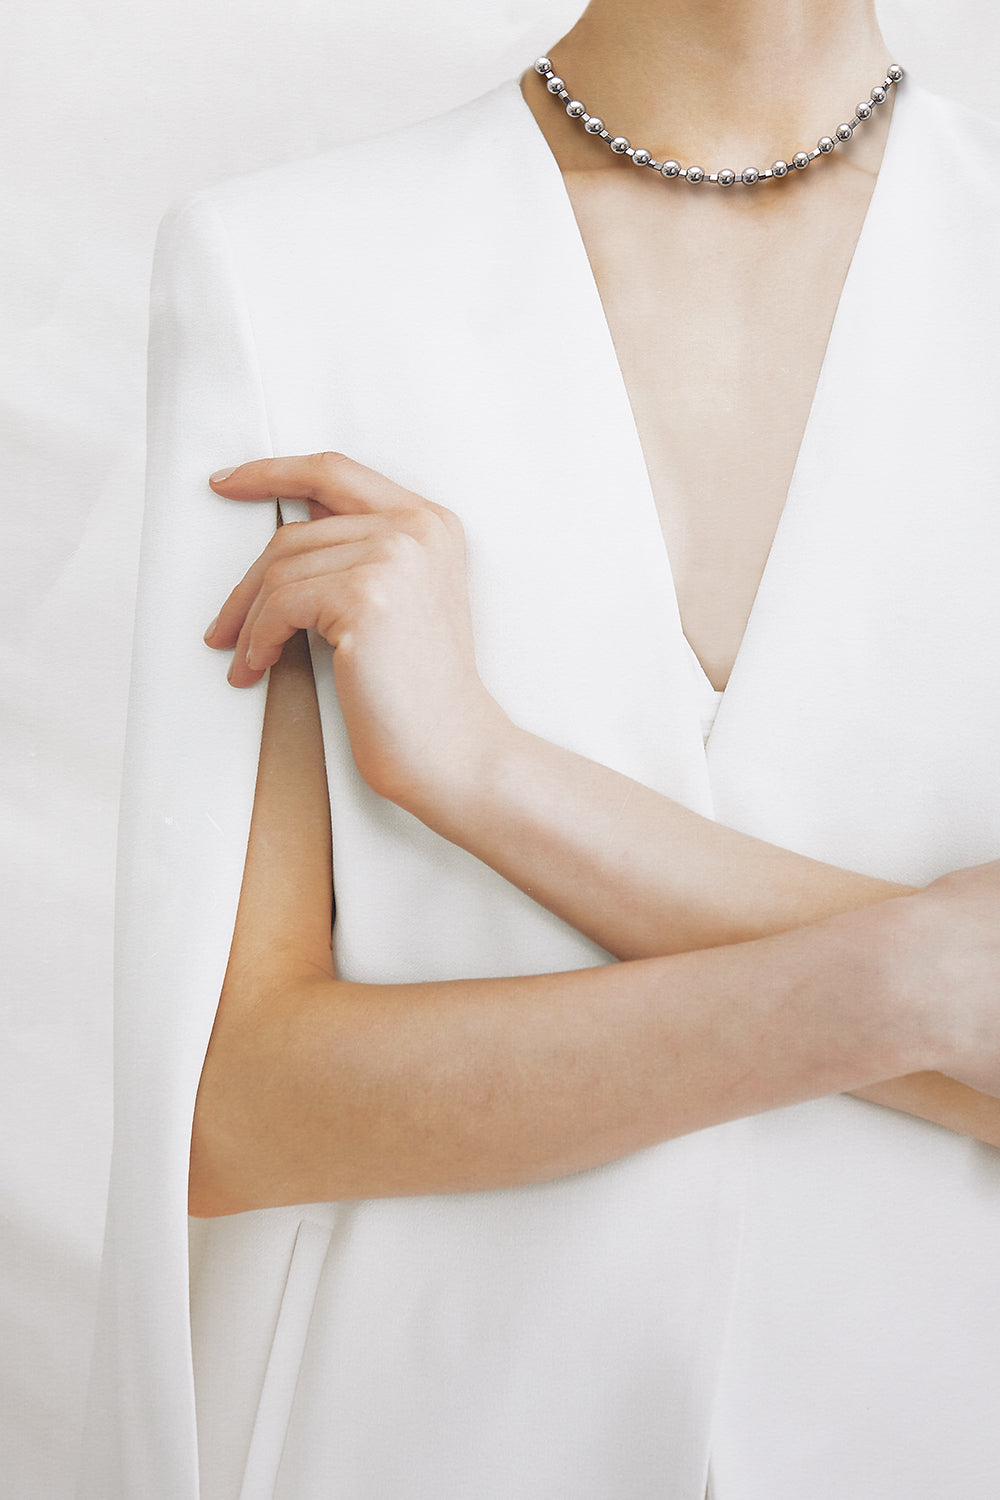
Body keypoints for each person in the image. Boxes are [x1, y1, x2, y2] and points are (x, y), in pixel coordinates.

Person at [81, 2, 1000, 1497]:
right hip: (428, 1436)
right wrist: (909, 986)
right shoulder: (291, 269)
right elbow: (233, 1108)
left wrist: (491, 779)